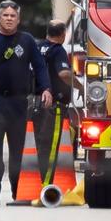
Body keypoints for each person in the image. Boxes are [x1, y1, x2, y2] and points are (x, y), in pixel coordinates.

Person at [0, 0, 53, 205]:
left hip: (18, 101)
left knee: (17, 149)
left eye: (13, 16)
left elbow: (40, 67)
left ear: (18, 19)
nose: (9, 19)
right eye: (5, 15)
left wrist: (46, 90)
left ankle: (18, 191)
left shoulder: (27, 41)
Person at [33, 20, 73, 187]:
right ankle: (47, 184)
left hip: (36, 101)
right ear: (63, 35)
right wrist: (79, 84)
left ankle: (39, 182)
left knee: (38, 143)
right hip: (54, 104)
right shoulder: (58, 51)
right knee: (50, 145)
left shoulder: (37, 47)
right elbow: (63, 73)